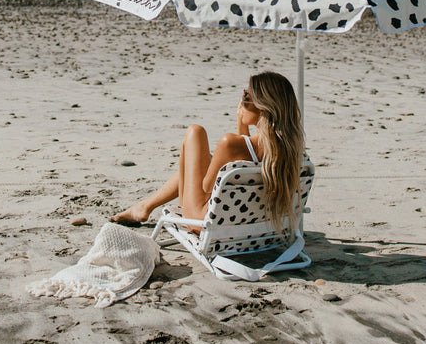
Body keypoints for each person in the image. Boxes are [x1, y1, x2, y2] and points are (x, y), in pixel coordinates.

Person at [111, 71, 306, 236]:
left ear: (263, 107)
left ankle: (144, 207)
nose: (242, 101)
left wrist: (239, 122)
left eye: (247, 97)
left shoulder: (230, 143)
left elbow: (205, 187)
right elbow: (244, 156)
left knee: (195, 132)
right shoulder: (289, 150)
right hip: (249, 223)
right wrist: (242, 122)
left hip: (202, 221)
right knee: (206, 161)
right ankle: (144, 207)